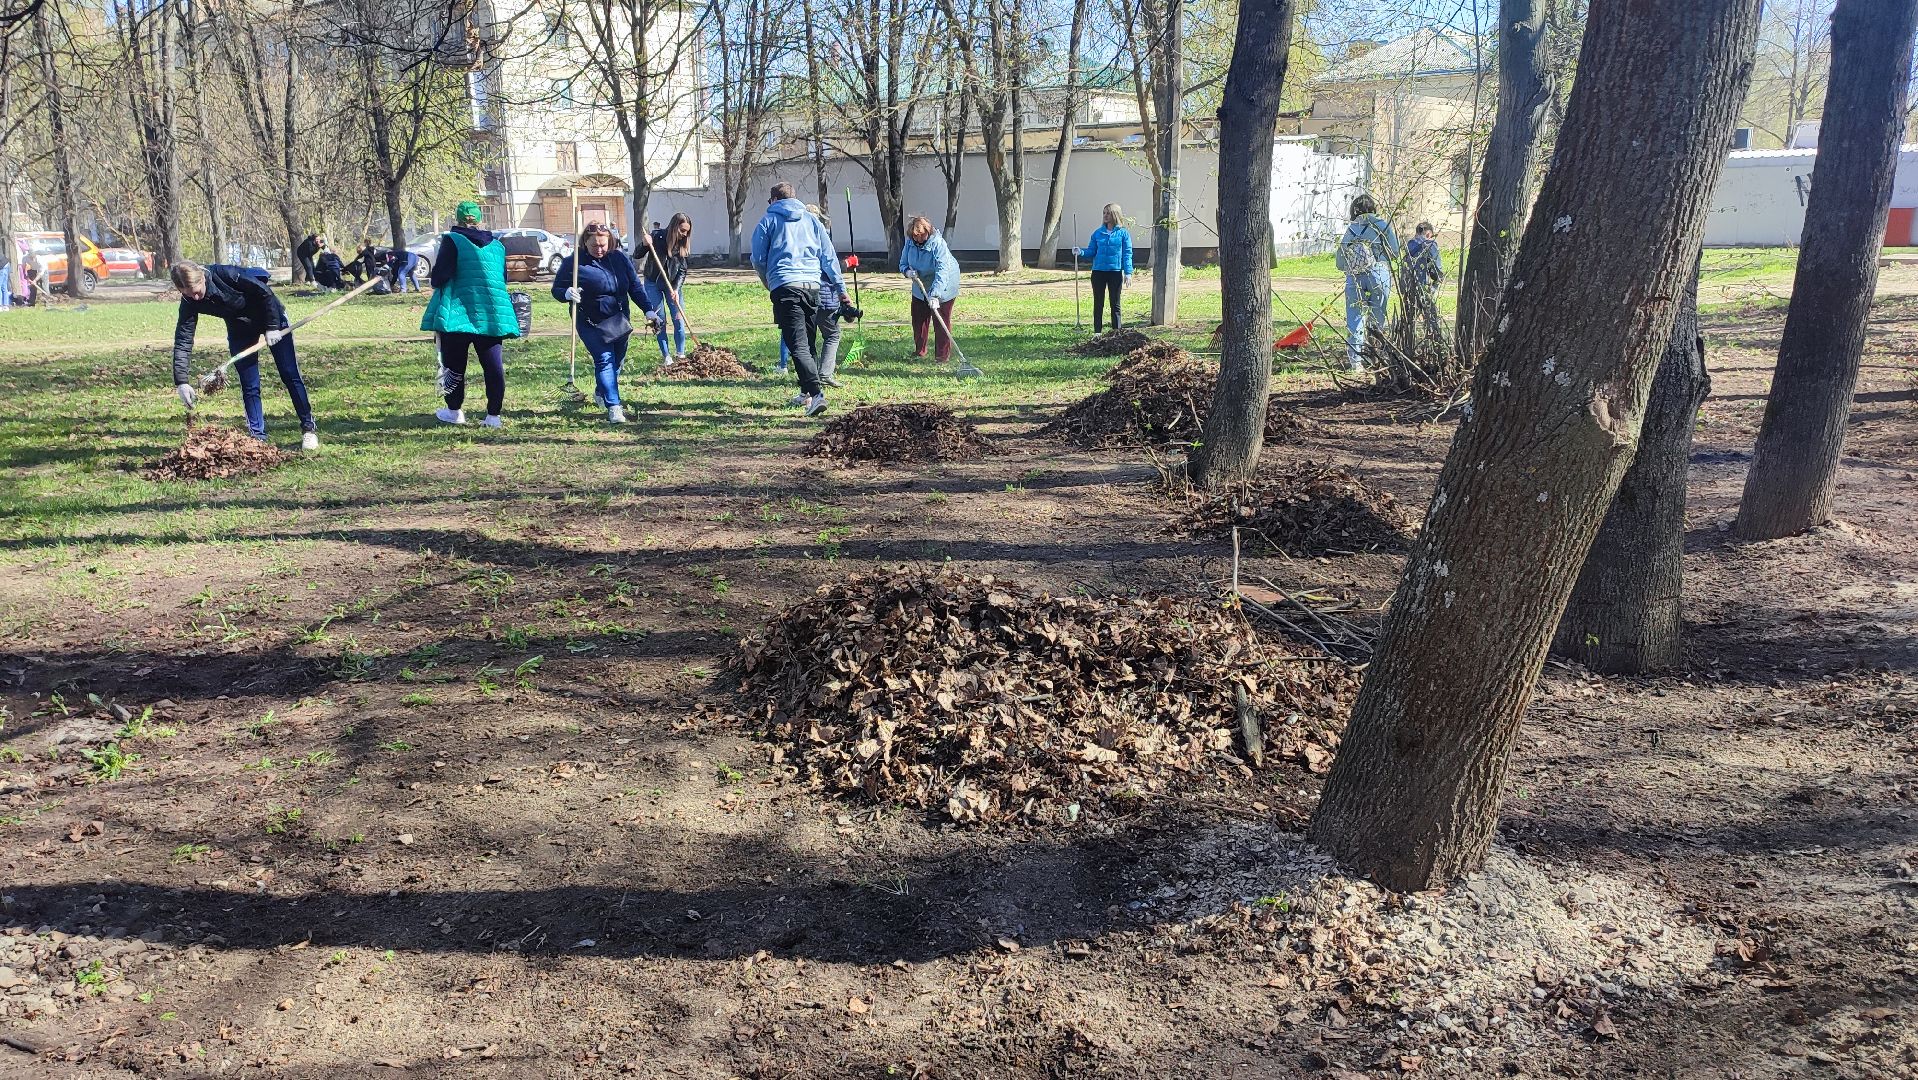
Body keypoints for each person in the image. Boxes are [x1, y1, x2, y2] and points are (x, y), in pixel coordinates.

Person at [168, 260, 320, 450]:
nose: (196, 298)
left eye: (197, 292)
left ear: (202, 279)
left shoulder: (226, 275)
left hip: (270, 315)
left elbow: (265, 293)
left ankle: (308, 429)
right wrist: (181, 381)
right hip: (239, 328)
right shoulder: (189, 301)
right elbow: (183, 339)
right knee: (250, 385)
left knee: (289, 374)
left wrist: (272, 326)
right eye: (189, 294)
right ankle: (257, 438)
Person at [423, 200, 519, 427]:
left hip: (459, 312)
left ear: (457, 219)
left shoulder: (453, 240)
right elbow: (502, 278)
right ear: (480, 219)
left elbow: (440, 276)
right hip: (491, 314)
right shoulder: (497, 246)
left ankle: (454, 411)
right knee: (493, 367)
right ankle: (493, 416)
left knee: (454, 365)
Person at [750, 181, 842, 417]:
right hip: (812, 287)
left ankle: (817, 394)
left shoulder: (768, 221)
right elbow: (828, 256)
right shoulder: (812, 220)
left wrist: (769, 281)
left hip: (786, 286)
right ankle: (806, 392)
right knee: (808, 342)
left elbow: (758, 258)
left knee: (797, 345)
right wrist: (841, 288)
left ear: (774, 200)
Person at [554, 221, 646, 424]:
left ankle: (600, 390)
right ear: (585, 243)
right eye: (594, 245)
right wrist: (566, 293)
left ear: (610, 242)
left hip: (618, 320)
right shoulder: (573, 263)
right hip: (589, 321)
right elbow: (556, 289)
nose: (599, 249)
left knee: (617, 360)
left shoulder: (619, 259)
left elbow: (635, 287)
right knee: (604, 359)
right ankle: (614, 407)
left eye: (603, 245)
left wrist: (648, 310)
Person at [776, 205, 853, 393]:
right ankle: (823, 374)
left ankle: (805, 376)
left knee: (803, 338)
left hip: (800, 294)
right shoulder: (820, 237)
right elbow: (831, 267)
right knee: (832, 334)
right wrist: (847, 266)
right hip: (824, 297)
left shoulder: (794, 240)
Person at [1335, 193, 1400, 372]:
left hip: (1354, 277)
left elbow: (1340, 262)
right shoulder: (1382, 225)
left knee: (1354, 318)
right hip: (1378, 274)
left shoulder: (1351, 229)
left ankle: (1355, 362)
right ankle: (1375, 357)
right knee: (1377, 317)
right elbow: (1395, 252)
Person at [900, 215, 960, 363]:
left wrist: (935, 295)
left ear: (928, 231)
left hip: (945, 283)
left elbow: (942, 271)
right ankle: (920, 351)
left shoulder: (938, 244)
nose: (918, 239)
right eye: (915, 236)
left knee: (941, 320)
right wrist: (907, 271)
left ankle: (942, 356)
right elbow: (903, 263)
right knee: (918, 318)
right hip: (920, 284)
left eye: (921, 235)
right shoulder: (910, 243)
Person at [638, 213, 691, 366]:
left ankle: (680, 354)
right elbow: (637, 254)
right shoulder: (656, 236)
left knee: (678, 318)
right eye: (682, 230)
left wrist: (676, 289)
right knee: (659, 320)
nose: (684, 234)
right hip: (652, 283)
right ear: (674, 227)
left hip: (672, 285)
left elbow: (682, 271)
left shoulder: (682, 244)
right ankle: (666, 356)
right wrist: (644, 244)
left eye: (687, 231)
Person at [1077, 202, 1134, 332]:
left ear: (1115, 215)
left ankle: (1117, 332)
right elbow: (1091, 251)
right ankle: (1097, 332)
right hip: (1098, 272)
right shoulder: (1097, 233)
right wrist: (1080, 252)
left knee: (1115, 303)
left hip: (1115, 272)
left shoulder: (1123, 233)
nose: (1105, 216)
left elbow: (1127, 253)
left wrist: (1128, 272)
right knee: (1098, 303)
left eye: (1108, 213)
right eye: (1104, 213)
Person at [1405, 221, 1445, 339]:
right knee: (1431, 315)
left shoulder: (1409, 245)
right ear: (1428, 234)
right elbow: (1436, 269)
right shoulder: (1430, 244)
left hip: (1408, 285)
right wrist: (1438, 280)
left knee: (1409, 317)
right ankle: (1434, 339)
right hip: (1423, 285)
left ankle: (1408, 340)